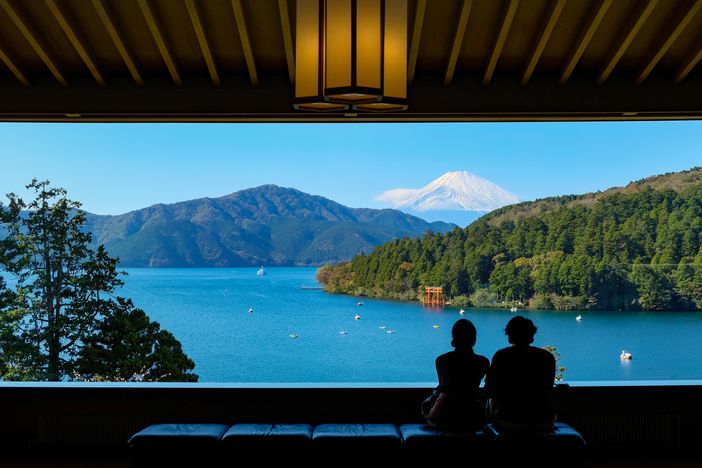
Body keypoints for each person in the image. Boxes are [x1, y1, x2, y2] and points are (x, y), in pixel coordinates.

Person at [485, 316, 556, 432]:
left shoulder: (501, 356)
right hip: (545, 420)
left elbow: (489, 391)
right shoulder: (547, 357)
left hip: (508, 419)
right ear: (532, 337)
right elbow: (548, 389)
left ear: (509, 337)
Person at [422, 318, 490, 430]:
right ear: (473, 339)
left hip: (442, 415)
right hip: (470, 416)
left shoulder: (441, 360)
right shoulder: (483, 362)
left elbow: (443, 385)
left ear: (454, 338)